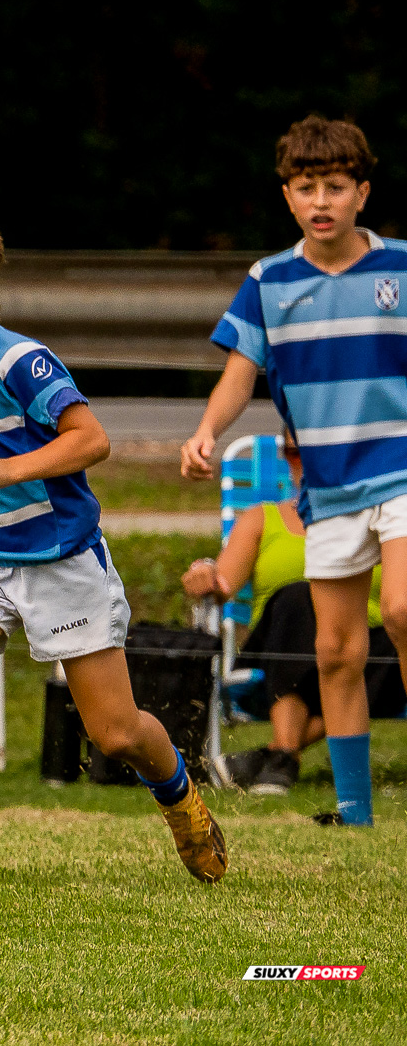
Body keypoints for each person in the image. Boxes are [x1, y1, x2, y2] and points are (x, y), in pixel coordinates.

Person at [0, 204, 227, 885]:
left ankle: (179, 795)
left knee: (115, 735)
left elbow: (91, 439)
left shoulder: (19, 361)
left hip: (61, 562)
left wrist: (9, 468)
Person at [183, 116, 407, 827]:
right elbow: (239, 373)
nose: (321, 200)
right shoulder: (269, 281)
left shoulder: (399, 268)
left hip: (401, 470)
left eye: (335, 186)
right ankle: (353, 810)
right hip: (328, 487)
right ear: (288, 197)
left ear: (361, 193)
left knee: (403, 611)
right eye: (306, 187)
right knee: (335, 651)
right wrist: (207, 431)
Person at [184, 451, 403, 798]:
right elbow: (221, 584)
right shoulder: (262, 518)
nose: (306, 461)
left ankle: (280, 754)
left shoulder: (388, 521)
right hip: (282, 650)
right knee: (302, 594)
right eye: (295, 452)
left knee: (395, 634)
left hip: (369, 655)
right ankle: (285, 749)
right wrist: (204, 572)